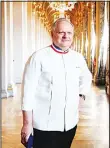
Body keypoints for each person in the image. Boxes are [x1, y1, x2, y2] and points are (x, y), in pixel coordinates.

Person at [21, 18, 92, 148]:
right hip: (45, 125)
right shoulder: (38, 57)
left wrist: (81, 95)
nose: (66, 36)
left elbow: (86, 77)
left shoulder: (78, 57)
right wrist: (27, 124)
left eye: (69, 33)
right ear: (52, 33)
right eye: (61, 32)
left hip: (70, 123)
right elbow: (28, 92)